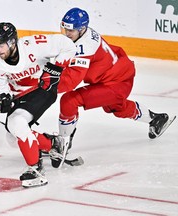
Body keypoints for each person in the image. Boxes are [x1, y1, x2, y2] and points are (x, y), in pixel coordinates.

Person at [0, 22, 80, 187]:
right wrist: (3, 98)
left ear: (12, 42)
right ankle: (52, 144)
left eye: (1, 46)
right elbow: (1, 87)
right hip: (20, 95)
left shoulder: (34, 45)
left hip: (43, 89)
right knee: (12, 138)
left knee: (17, 123)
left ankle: (35, 168)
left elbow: (67, 45)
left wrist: (54, 70)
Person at [57, 8, 176, 155]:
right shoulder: (81, 35)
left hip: (115, 83)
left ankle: (62, 142)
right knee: (117, 108)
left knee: (69, 100)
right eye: (65, 29)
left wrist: (42, 87)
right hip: (115, 74)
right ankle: (156, 119)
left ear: (82, 30)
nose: (66, 34)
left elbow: (70, 82)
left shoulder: (84, 47)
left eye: (71, 31)